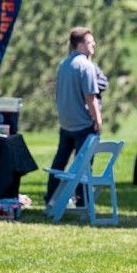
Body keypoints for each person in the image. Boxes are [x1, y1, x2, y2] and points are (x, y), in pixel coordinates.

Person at [48, 26, 102, 209]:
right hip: (82, 123)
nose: (93, 44)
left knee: (60, 161)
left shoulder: (64, 64)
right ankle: (83, 201)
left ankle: (51, 197)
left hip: (66, 122)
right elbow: (90, 97)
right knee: (84, 164)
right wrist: (97, 120)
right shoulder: (86, 66)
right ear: (79, 45)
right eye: (89, 41)